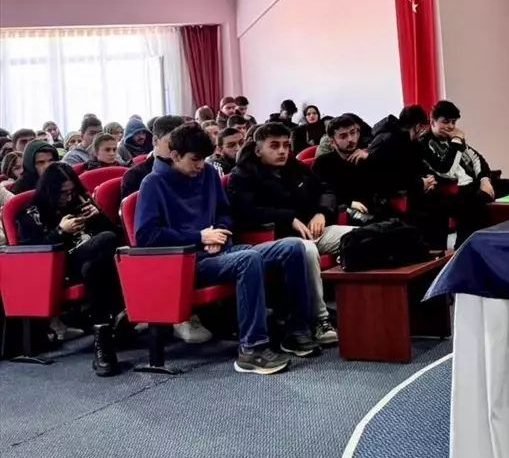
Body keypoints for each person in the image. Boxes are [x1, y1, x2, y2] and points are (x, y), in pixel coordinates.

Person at [134, 123, 319, 374]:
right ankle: (251, 349)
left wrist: (219, 231)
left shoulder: (208, 173)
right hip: (188, 262)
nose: (200, 166)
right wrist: (199, 236)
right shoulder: (152, 183)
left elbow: (224, 212)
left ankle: (296, 331)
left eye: (203, 159)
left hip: (221, 250)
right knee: (249, 259)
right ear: (175, 155)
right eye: (194, 160)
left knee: (294, 247)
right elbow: (145, 236)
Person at [227, 122, 348, 345]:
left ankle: (361, 309)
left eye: (285, 145)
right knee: (306, 250)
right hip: (275, 240)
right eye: (274, 146)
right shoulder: (243, 174)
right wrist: (288, 218)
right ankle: (320, 320)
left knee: (356, 236)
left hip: (312, 230)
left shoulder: (295, 167)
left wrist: (322, 212)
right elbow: (246, 211)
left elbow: (326, 190)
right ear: (258, 149)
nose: (282, 151)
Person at [15, 163, 125, 376]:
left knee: (93, 267)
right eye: (63, 193)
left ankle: (103, 342)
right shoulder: (31, 213)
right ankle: (119, 315)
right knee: (105, 240)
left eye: (71, 191)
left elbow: (117, 239)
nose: (68, 197)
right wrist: (60, 231)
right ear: (50, 191)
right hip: (59, 267)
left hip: (89, 264)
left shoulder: (79, 202)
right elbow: (33, 253)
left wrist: (98, 216)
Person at [420, 100, 509, 244]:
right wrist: (456, 141)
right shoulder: (425, 143)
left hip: (473, 185)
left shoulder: (454, 139)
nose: (450, 127)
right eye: (445, 122)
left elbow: (478, 159)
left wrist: (484, 180)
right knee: (474, 203)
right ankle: (465, 246)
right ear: (433, 122)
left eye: (453, 122)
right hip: (452, 191)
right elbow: (446, 171)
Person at [121, 115, 186, 200]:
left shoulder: (189, 170)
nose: (179, 148)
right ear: (155, 141)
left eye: (183, 143)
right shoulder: (134, 176)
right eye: (172, 142)